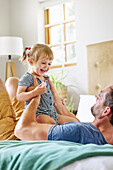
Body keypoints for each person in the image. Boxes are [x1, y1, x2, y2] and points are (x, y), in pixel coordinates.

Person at [3, 77, 113, 145]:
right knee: (13, 82)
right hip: (34, 126)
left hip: (16, 136)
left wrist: (36, 97)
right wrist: (56, 100)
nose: (96, 96)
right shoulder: (101, 134)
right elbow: (77, 123)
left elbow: (21, 130)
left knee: (9, 83)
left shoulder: (78, 131)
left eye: (101, 96)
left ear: (106, 111)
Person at [16, 44, 79, 125]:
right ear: (31, 61)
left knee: (74, 121)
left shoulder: (46, 78)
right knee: (49, 122)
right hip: (38, 114)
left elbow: (50, 94)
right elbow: (19, 96)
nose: (46, 66)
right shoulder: (27, 78)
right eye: (43, 63)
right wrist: (35, 92)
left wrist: (59, 99)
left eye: (49, 63)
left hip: (52, 114)